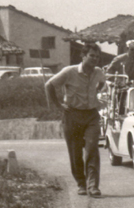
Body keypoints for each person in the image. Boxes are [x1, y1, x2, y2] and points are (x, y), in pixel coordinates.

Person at [45, 43, 106, 197]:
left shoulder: (98, 72)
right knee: (75, 152)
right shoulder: (69, 71)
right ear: (83, 56)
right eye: (92, 55)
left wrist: (96, 94)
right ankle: (81, 183)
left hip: (91, 114)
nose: (95, 59)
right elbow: (49, 85)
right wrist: (59, 105)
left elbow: (102, 83)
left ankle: (93, 186)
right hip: (72, 115)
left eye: (97, 56)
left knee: (92, 149)